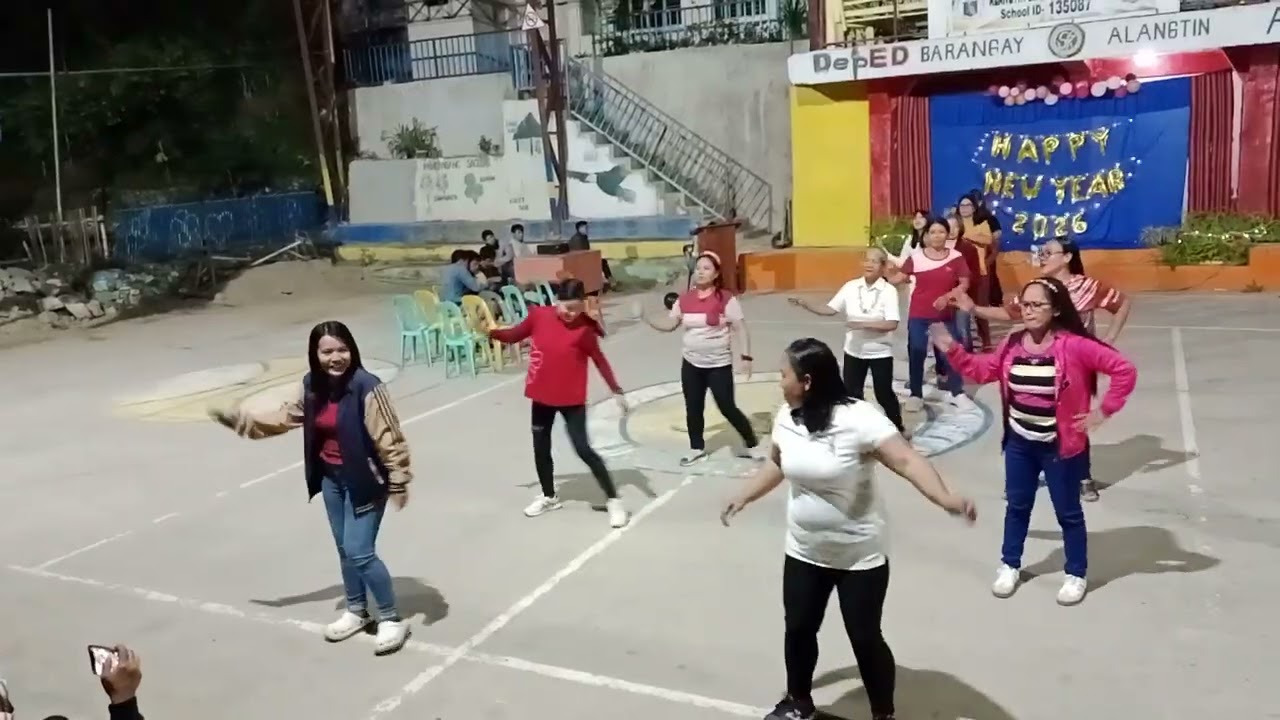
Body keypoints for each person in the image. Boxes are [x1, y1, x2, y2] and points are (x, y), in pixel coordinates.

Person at [721, 338, 977, 720]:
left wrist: (944, 498)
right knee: (800, 629)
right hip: (804, 549)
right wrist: (745, 495)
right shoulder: (786, 415)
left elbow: (907, 460)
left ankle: (883, 714)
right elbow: (777, 463)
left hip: (858, 554)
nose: (779, 381)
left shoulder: (859, 418)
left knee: (864, 637)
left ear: (806, 381)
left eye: (783, 374)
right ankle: (799, 702)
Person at [210, 321, 413, 654]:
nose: (336, 357)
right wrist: (247, 422)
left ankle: (391, 617)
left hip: (365, 481)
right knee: (345, 550)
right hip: (332, 480)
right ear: (315, 354)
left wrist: (399, 480)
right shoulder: (312, 387)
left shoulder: (368, 387)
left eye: (342, 349)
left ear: (353, 350)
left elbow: (389, 437)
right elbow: (288, 416)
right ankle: (356, 610)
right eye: (328, 351)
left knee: (360, 551)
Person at [933, 277, 1137, 605]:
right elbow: (983, 371)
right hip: (1020, 444)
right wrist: (953, 352)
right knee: (1017, 506)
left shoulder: (1074, 345)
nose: (1028, 311)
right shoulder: (1013, 343)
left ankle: (1076, 573)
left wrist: (1104, 411)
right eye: (1025, 304)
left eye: (1037, 304)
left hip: (1060, 447)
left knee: (1068, 512)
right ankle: (1009, 564)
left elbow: (1124, 369)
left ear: (1055, 309)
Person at [953, 236, 1133, 501]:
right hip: (1038, 362)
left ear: (1068, 257)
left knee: (1074, 421)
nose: (1043, 257)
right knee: (1029, 416)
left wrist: (1108, 340)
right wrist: (973, 309)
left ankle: (1082, 477)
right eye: (1042, 253)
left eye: (1049, 252)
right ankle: (1026, 472)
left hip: (1075, 367)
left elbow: (1122, 304)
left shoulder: (1087, 286)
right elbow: (1008, 314)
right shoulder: (1036, 288)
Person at [488, 279, 631, 528]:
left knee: (583, 449)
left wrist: (616, 390)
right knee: (540, 447)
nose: (570, 313)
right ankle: (548, 496)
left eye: (576, 308)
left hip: (571, 399)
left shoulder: (585, 329)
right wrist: (490, 331)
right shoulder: (538, 316)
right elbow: (514, 335)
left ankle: (614, 500)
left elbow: (599, 360)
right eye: (566, 307)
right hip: (542, 395)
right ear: (556, 302)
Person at [642, 250, 759, 465]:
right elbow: (670, 325)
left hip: (719, 365)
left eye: (706, 268)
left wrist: (746, 357)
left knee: (727, 406)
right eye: (698, 268)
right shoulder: (684, 300)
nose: (700, 272)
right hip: (691, 364)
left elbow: (741, 328)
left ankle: (751, 443)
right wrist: (646, 318)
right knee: (693, 407)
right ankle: (696, 447)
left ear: (716, 274)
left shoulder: (726, 299)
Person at [788, 248, 904, 432]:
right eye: (866, 260)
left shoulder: (888, 291)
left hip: (879, 352)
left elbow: (891, 323)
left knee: (883, 394)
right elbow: (830, 309)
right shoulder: (851, 287)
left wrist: (862, 324)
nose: (869, 264)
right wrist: (806, 304)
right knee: (852, 394)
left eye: (874, 261)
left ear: (882, 267)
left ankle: (897, 427)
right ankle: (860, 429)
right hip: (854, 351)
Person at [885, 216, 973, 412]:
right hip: (919, 315)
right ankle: (916, 394)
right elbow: (899, 278)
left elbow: (964, 283)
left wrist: (948, 297)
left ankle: (957, 393)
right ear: (926, 235)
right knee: (917, 352)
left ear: (947, 234)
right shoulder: (916, 258)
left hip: (945, 316)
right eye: (932, 232)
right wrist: (887, 273)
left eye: (941, 231)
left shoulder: (956, 257)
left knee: (951, 353)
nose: (937, 236)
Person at [568, 220, 614, 289]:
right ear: (579, 228)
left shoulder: (583, 237)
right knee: (602, 262)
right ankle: (609, 281)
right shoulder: (577, 239)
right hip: (579, 262)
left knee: (602, 261)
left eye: (587, 227)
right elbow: (581, 254)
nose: (587, 229)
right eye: (585, 227)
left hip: (584, 259)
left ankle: (609, 280)